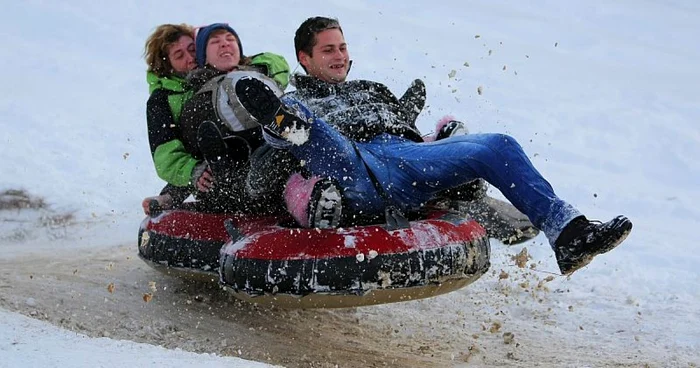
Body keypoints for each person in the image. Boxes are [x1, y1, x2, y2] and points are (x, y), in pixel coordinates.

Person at [233, 16, 633, 275]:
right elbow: (264, 173)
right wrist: (281, 132)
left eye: (342, 47)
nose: (340, 56)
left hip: (407, 159)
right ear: (304, 58)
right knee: (314, 130)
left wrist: (421, 126)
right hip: (352, 170)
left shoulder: (371, 89)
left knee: (498, 145)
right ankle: (281, 124)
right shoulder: (306, 97)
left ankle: (568, 234)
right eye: (328, 50)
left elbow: (411, 131)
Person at [177, 23, 292, 214]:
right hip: (237, 174)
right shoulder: (197, 100)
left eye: (230, 39)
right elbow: (191, 150)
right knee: (235, 151)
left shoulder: (260, 75)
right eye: (215, 42)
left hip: (277, 146)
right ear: (203, 57)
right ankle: (223, 164)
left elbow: (279, 66)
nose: (224, 44)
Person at [142, 24, 198, 215]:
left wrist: (215, 35)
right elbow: (166, 155)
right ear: (168, 66)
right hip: (201, 159)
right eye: (179, 56)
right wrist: (194, 171)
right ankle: (172, 196)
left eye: (193, 49)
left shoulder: (222, 68)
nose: (190, 59)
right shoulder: (160, 101)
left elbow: (276, 63)